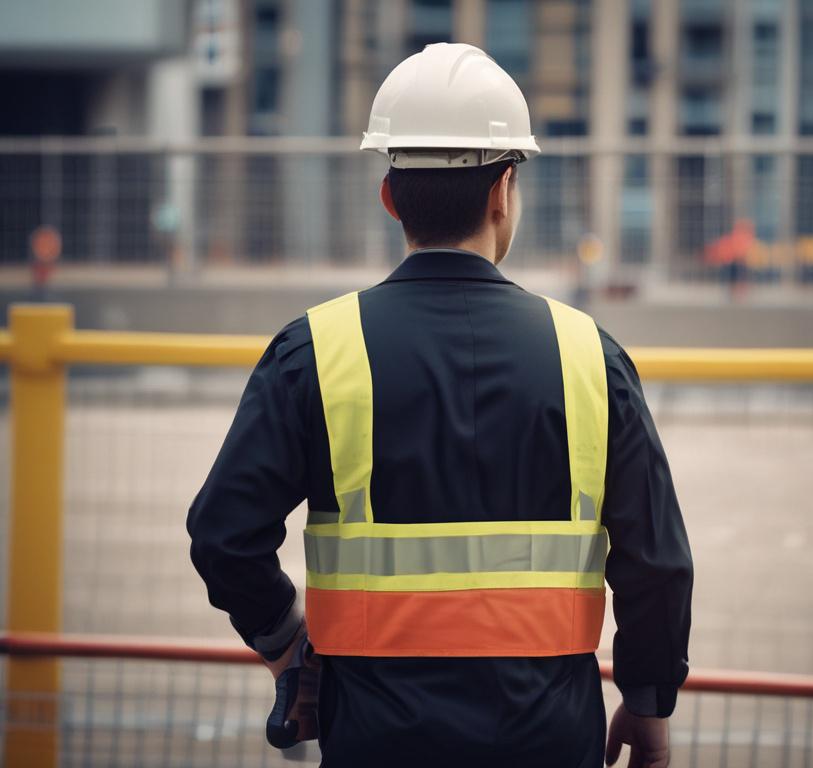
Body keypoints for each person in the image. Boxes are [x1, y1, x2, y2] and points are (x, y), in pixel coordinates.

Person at [187, 43, 693, 768]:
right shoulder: (592, 358)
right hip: (549, 740)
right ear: (503, 189)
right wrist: (647, 704)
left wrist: (289, 644)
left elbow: (223, 535)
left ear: (390, 196)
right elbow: (658, 567)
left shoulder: (316, 353)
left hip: (377, 740)